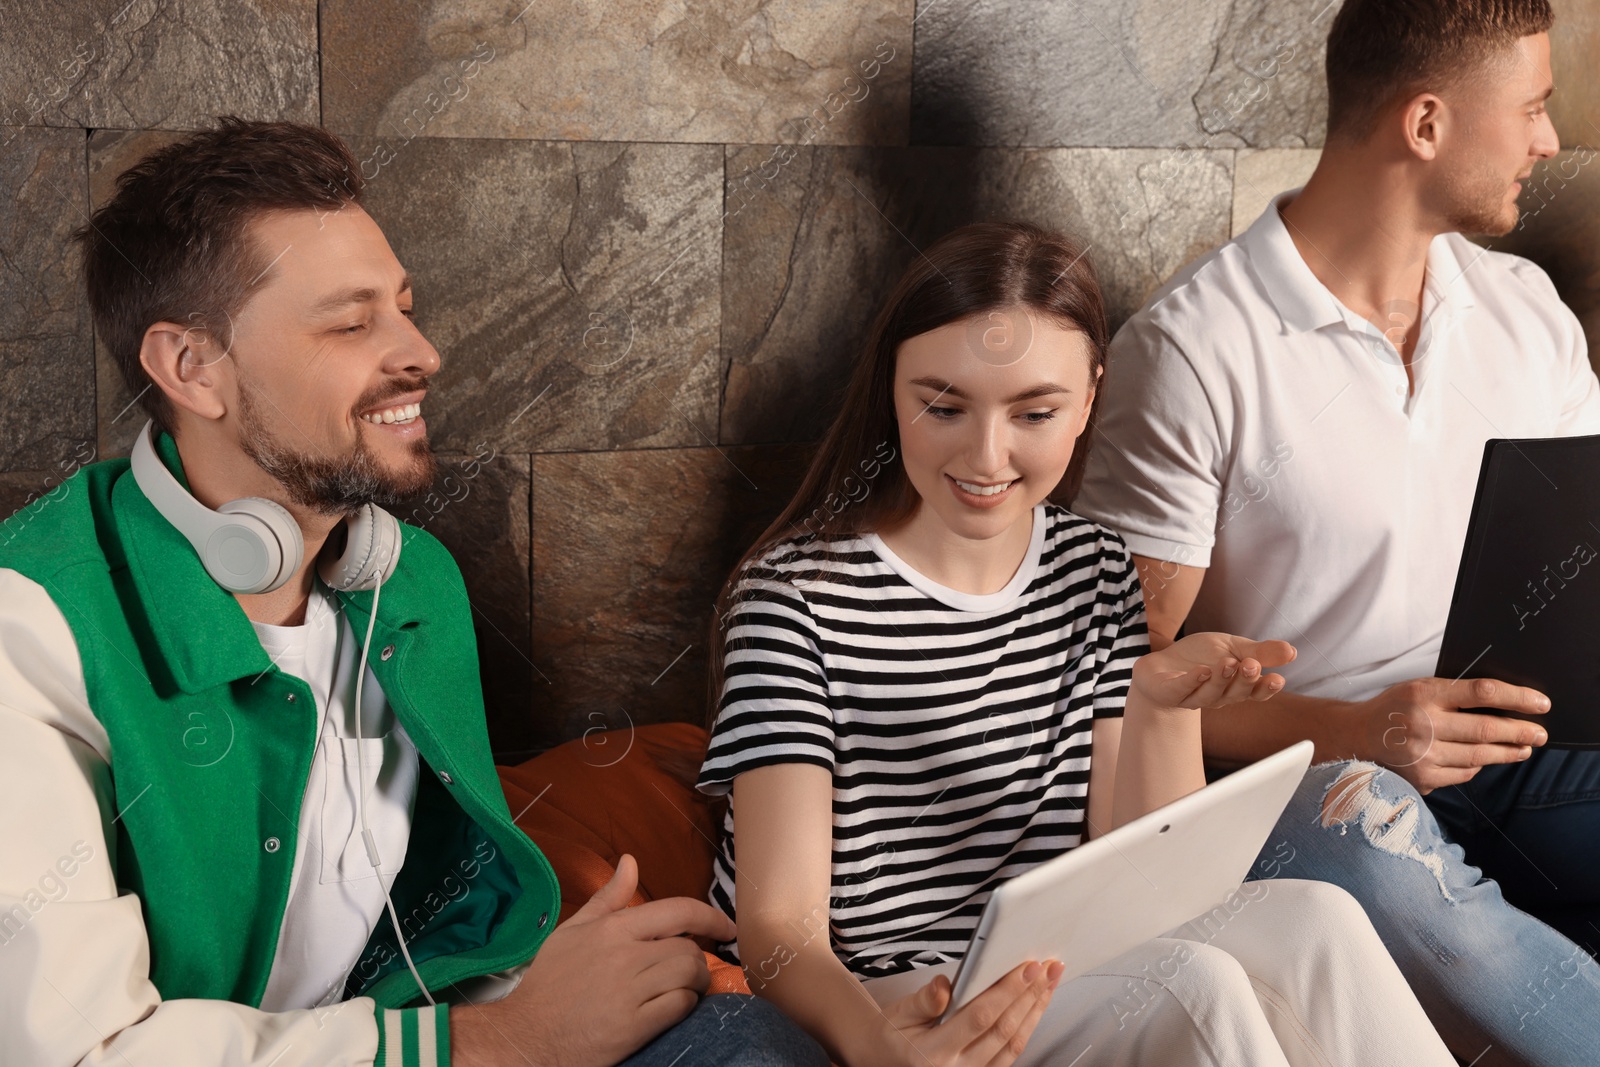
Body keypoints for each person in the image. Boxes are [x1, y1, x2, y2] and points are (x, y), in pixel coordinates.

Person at [0, 117, 826, 1067]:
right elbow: (81, 1054)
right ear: (193, 368)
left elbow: (437, 915)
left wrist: (580, 976)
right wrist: (504, 1037)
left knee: (745, 1040)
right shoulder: (35, 626)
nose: (423, 350)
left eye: (402, 305)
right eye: (352, 322)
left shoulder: (403, 575)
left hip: (413, 1035)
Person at [696, 220, 1455, 1066]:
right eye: (942, 405)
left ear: (1090, 396)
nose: (986, 455)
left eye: (1035, 411)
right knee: (1188, 984)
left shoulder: (1091, 566)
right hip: (879, 987)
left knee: (1319, 915)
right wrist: (877, 1045)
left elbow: (1150, 882)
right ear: (892, 389)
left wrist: (1161, 705)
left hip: (1049, 959)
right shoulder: (794, 596)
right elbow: (776, 931)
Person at [1073, 0, 1600, 1062]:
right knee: (1371, 829)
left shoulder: (1525, 312)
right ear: (1424, 124)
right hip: (1310, 782)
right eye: (1534, 109)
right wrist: (1368, 727)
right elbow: (1115, 686)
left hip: (1518, 746)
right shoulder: (1191, 350)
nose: (1549, 141)